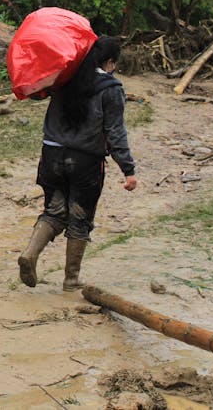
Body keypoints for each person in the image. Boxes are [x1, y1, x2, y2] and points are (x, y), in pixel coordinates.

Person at [18, 36, 137, 291]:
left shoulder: (65, 78)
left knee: (54, 211)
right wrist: (128, 169)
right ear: (109, 62)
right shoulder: (111, 88)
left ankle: (30, 253)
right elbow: (115, 132)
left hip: (51, 156)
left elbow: (38, 91)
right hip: (85, 161)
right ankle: (71, 279)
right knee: (79, 218)